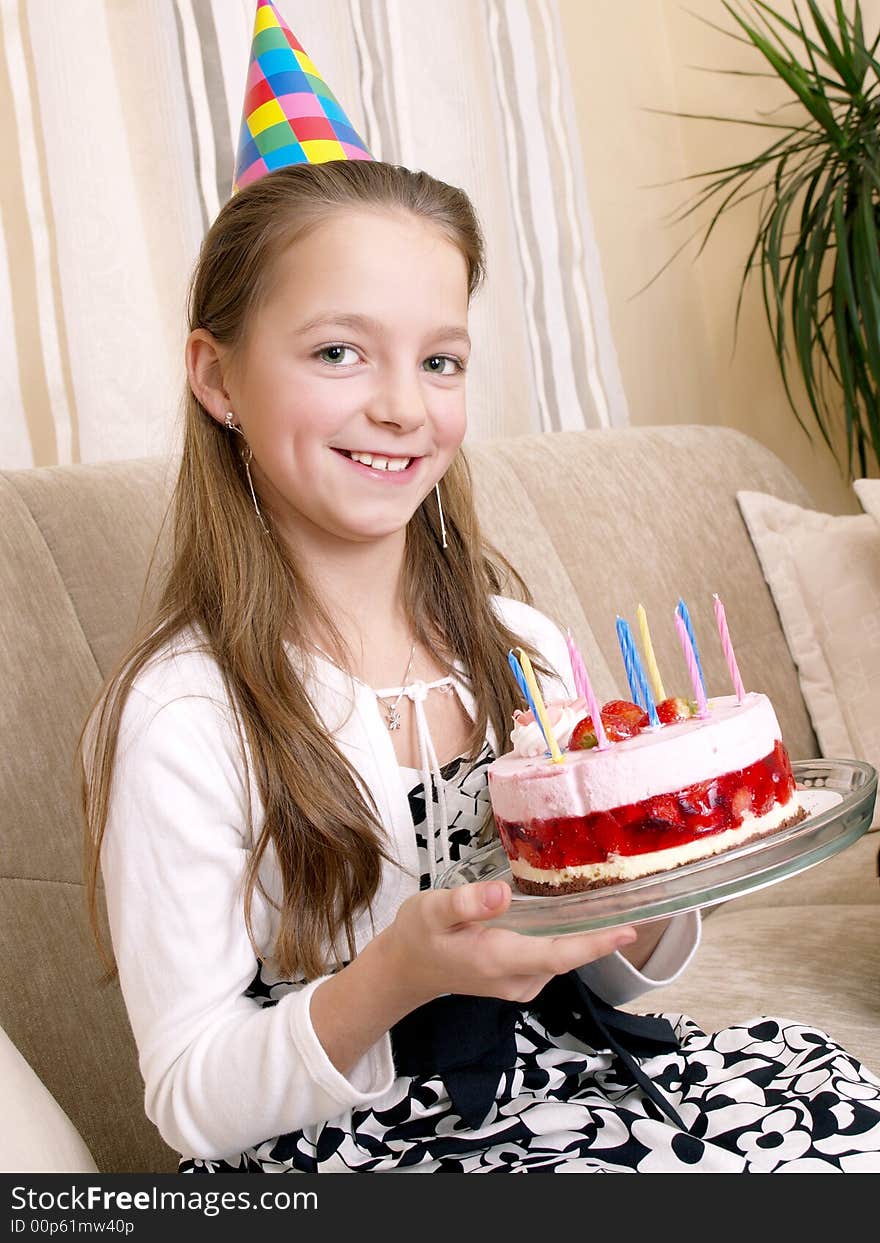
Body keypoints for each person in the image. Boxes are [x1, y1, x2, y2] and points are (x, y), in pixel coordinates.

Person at [79, 154, 880, 1175]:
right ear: (217, 375)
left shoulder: (516, 648)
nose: (404, 408)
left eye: (440, 361)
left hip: (567, 1084)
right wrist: (398, 972)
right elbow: (192, 1097)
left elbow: (612, 947)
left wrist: (644, 903)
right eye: (338, 351)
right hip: (352, 1151)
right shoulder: (183, 712)